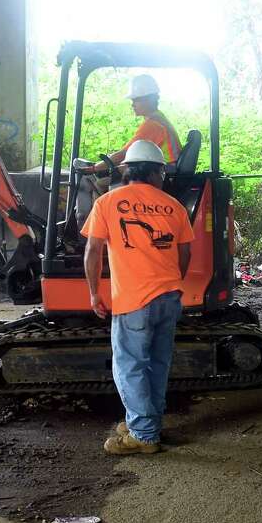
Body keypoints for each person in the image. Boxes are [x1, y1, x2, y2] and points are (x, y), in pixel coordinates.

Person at [82, 139, 195, 455]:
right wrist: (173, 283)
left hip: (133, 300)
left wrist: (94, 293)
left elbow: (93, 251)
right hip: (169, 295)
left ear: (127, 170)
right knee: (158, 364)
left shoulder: (108, 202)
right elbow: (185, 252)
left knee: (130, 365)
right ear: (159, 173)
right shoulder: (174, 206)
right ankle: (148, 422)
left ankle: (143, 434)